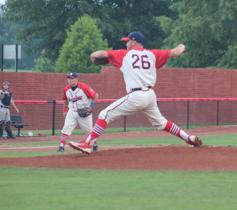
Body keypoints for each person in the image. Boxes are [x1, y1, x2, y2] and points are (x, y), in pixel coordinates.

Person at [69, 31, 202, 154]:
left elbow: (98, 55)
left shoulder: (125, 54)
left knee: (105, 114)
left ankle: (87, 143)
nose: (126, 44)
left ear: (133, 42)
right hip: (150, 95)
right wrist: (182, 45)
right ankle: (189, 138)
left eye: (127, 41)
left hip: (136, 96)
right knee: (161, 123)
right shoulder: (152, 54)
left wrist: (94, 57)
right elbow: (176, 52)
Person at [57, 72, 99, 152]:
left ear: (76, 79)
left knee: (89, 131)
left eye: (72, 78)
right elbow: (65, 100)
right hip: (72, 112)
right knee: (66, 128)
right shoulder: (66, 89)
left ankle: (94, 144)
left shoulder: (84, 87)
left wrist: (91, 108)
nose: (69, 80)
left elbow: (95, 96)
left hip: (84, 111)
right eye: (68, 78)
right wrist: (65, 110)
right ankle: (61, 146)